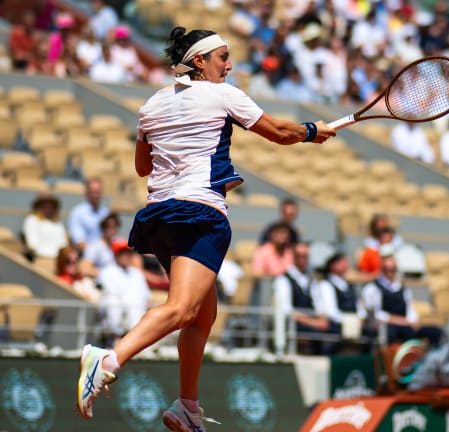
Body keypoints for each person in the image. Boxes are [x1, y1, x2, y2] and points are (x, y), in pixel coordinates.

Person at [75, 26, 335, 430]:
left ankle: (187, 407)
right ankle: (107, 359)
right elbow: (281, 133)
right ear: (199, 61)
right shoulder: (222, 95)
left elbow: (143, 167)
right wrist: (313, 131)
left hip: (159, 216)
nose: (229, 66)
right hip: (201, 214)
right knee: (181, 309)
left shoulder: (152, 104)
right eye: (223, 58)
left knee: (201, 316)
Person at [362, 255, 442, 346]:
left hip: (404, 324)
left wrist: (413, 321)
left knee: (435, 331)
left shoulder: (403, 289)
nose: (390, 272)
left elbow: (410, 309)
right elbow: (375, 314)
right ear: (382, 270)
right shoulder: (372, 288)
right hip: (387, 326)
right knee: (393, 331)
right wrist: (397, 320)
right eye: (387, 269)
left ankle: (430, 357)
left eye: (393, 269)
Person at [273, 243, 329, 354]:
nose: (302, 259)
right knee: (317, 334)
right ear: (293, 256)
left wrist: (322, 319)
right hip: (294, 323)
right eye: (299, 255)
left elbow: (319, 304)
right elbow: (287, 310)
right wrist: (313, 322)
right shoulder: (283, 279)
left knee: (336, 331)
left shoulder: (312, 280)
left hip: (313, 321)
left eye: (305, 256)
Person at [315, 252, 374, 352]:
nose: (345, 265)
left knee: (372, 334)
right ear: (332, 265)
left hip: (354, 323)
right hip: (337, 324)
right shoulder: (326, 285)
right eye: (342, 262)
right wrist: (350, 321)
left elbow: (358, 306)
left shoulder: (350, 286)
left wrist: (361, 319)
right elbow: (331, 312)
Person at [97, 245, 151, 346]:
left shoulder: (137, 274)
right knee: (113, 303)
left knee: (137, 304)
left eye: (128, 254)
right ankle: (115, 339)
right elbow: (109, 292)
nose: (125, 256)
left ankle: (137, 341)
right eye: (122, 253)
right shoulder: (107, 271)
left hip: (134, 311)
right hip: (116, 310)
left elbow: (146, 296)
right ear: (116, 255)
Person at [22, 193, 69, 261]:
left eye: (51, 205)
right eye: (45, 205)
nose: (48, 208)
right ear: (38, 206)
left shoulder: (58, 224)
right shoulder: (32, 220)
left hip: (59, 259)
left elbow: (64, 243)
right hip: (41, 258)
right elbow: (32, 243)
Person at [68, 178, 110, 252]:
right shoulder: (77, 213)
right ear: (86, 193)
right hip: (85, 255)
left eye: (98, 192)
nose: (96, 195)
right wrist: (96, 254)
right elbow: (79, 242)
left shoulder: (106, 212)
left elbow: (111, 237)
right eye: (93, 192)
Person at [81, 212, 122, 278]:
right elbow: (85, 269)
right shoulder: (94, 246)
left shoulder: (120, 245)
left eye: (114, 226)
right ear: (103, 228)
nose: (111, 230)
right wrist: (106, 275)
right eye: (108, 226)